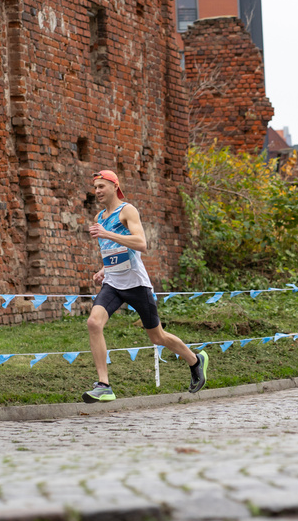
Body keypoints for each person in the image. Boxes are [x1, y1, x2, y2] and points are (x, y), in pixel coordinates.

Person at [83, 170, 208, 402]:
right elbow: (114, 250)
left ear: (114, 186)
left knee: (157, 337)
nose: (97, 191)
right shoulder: (100, 217)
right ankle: (104, 385)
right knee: (93, 322)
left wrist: (107, 233)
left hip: (136, 284)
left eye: (101, 186)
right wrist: (104, 269)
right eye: (95, 187)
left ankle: (195, 360)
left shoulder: (127, 210)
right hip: (113, 283)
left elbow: (141, 243)